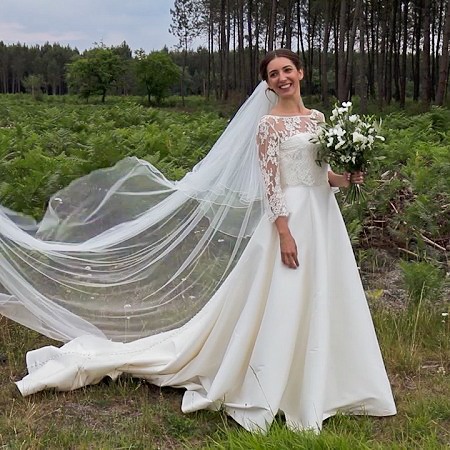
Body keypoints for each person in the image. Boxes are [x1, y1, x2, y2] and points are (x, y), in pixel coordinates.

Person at [2, 49, 396, 433]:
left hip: (323, 216)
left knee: (325, 294)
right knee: (287, 297)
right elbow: (271, 183)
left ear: (301, 73)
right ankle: (278, 384)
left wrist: (347, 179)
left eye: (287, 70)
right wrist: (284, 233)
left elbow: (320, 171)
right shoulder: (268, 126)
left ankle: (330, 383)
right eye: (274, 74)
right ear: (268, 84)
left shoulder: (319, 118)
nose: (282, 78)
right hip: (291, 219)